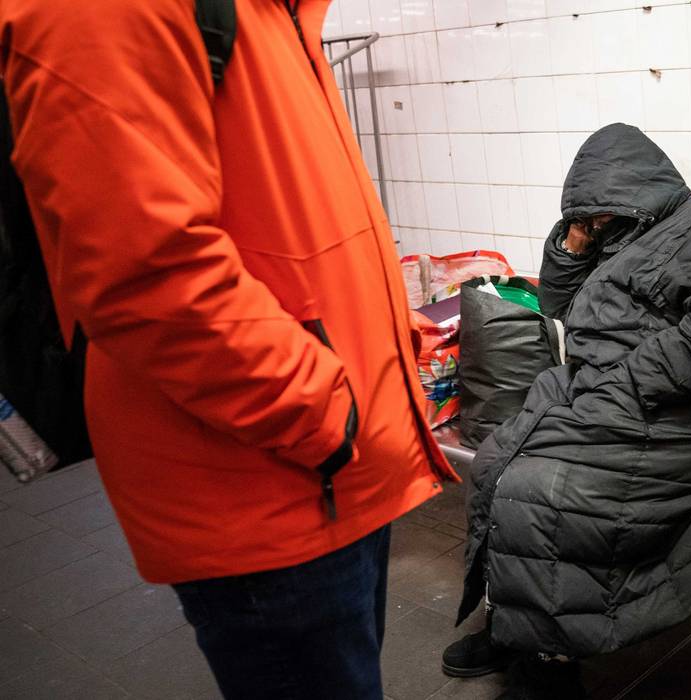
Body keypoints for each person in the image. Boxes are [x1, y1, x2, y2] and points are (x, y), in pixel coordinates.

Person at [0, 1, 457, 697]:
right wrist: (321, 411)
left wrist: (391, 335)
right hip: (267, 475)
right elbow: (144, 269)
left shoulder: (274, 13)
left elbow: (284, 225)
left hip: (321, 460)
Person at [443, 123, 691, 698]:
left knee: (549, 493)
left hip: (679, 412)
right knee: (497, 462)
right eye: (587, 216)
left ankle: (548, 663)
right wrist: (572, 244)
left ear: (637, 191)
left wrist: (630, 381)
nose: (595, 225)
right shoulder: (617, 240)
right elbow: (560, 306)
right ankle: (514, 626)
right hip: (599, 394)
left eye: (599, 213)